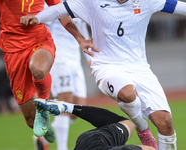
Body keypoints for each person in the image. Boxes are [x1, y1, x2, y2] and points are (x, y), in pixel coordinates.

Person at [20, 0, 186, 149]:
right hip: (107, 66)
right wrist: (38, 17)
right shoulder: (93, 2)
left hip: (140, 68)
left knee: (166, 122)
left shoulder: (147, 1)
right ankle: (143, 129)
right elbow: (59, 10)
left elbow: (178, 6)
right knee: (128, 93)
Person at [0, 0, 98, 144]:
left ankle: (43, 110)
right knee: (31, 120)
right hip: (13, 51)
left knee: (39, 69)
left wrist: (81, 40)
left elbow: (61, 11)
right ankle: (44, 130)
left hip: (40, 41)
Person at [33, 6, 91, 150]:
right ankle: (62, 147)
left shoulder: (79, 3)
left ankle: (42, 137)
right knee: (65, 101)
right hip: (58, 57)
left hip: (75, 61)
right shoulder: (49, 5)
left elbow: (82, 28)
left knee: (78, 108)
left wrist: (90, 59)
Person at [33, 98, 156, 150]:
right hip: (89, 142)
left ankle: (66, 106)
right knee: (128, 123)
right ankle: (66, 107)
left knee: (128, 123)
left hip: (92, 142)